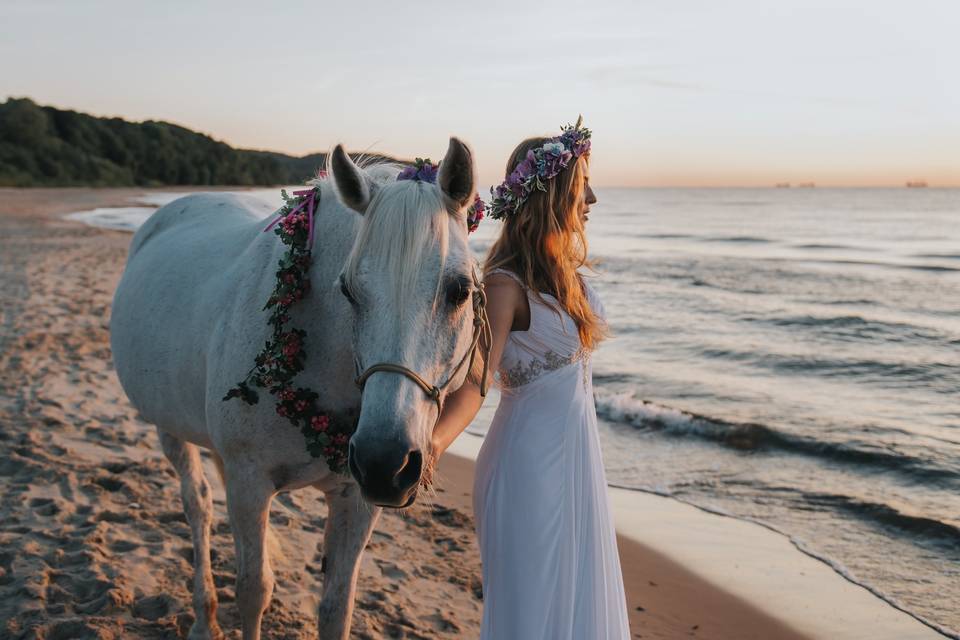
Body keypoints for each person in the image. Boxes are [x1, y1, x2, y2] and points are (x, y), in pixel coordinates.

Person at [430, 119, 632, 639]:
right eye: (581, 184)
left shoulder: (570, 278)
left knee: (578, 605)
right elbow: (476, 383)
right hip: (528, 472)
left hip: (578, 467)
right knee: (532, 611)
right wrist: (433, 443)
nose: (591, 197)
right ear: (553, 194)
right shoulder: (504, 283)